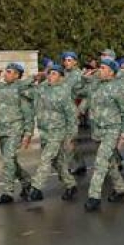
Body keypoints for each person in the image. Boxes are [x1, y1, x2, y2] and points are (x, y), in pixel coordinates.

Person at [81, 57, 124, 212]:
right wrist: (87, 75)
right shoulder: (95, 85)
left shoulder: (118, 88)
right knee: (109, 163)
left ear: (111, 72)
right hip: (98, 130)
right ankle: (120, 188)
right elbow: (80, 88)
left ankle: (94, 197)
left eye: (103, 68)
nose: (100, 70)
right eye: (100, 67)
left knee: (100, 162)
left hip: (112, 130)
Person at [24, 65, 78, 202]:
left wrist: (71, 137)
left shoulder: (64, 92)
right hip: (44, 132)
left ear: (61, 77)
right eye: (49, 73)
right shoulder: (41, 88)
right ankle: (71, 184)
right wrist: (33, 77)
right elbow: (22, 89)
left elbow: (72, 116)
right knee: (57, 162)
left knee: (46, 159)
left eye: (54, 73)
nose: (50, 76)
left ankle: (36, 188)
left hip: (57, 132)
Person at [0, 63, 33, 204]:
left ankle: (8, 192)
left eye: (9, 72)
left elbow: (28, 113)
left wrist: (28, 133)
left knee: (8, 160)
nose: (6, 74)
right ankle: (26, 181)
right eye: (6, 71)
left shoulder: (21, 88)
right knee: (10, 161)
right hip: (1, 130)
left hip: (15, 130)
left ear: (17, 75)